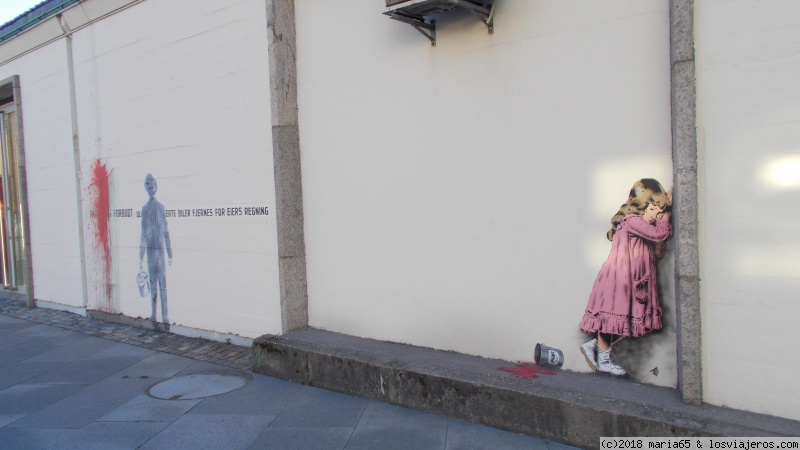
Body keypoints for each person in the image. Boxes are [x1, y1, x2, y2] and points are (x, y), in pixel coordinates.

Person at [578, 178, 672, 376]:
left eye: (660, 211)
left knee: (633, 324)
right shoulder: (632, 222)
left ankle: (595, 345)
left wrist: (658, 243)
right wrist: (666, 218)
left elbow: (657, 250)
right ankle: (603, 360)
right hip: (621, 280)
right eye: (654, 209)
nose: (657, 215)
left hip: (636, 281)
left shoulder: (645, 226)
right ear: (641, 206)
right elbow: (657, 234)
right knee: (613, 321)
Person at [139, 173, 173, 332]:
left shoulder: (160, 208)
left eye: (152, 184)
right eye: (148, 184)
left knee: (162, 286)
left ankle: (164, 317)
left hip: (158, 253)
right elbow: (143, 234)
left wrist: (170, 252)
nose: (151, 187)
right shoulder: (145, 210)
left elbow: (165, 232)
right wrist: (141, 255)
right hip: (153, 254)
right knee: (155, 286)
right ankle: (156, 316)